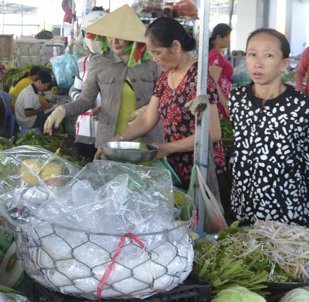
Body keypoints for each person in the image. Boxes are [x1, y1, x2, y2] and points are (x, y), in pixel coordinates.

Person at [90, 16, 225, 190]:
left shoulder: (200, 80)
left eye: (157, 52)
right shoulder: (164, 77)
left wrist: (166, 148)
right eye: (151, 53)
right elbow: (147, 120)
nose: (153, 58)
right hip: (175, 168)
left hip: (202, 168)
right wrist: (112, 143)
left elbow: (213, 133)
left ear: (176, 46)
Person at [45, 5, 164, 160]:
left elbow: (166, 95)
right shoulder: (98, 63)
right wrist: (63, 110)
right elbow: (85, 100)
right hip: (110, 143)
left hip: (147, 141)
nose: (114, 41)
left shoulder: (152, 62)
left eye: (120, 35)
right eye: (109, 35)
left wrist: (149, 109)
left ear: (131, 35)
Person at [229, 28, 309, 226]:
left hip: (285, 207)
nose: (258, 62)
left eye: (268, 55)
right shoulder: (237, 99)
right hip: (244, 204)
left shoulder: (301, 106)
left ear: (284, 64)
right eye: (252, 54)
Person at [69, 8, 108, 161]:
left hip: (109, 133)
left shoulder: (121, 65)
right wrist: (85, 101)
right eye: (90, 35)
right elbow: (75, 89)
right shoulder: (82, 63)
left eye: (100, 35)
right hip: (85, 130)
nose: (94, 39)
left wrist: (106, 108)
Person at [208, 23, 233, 119]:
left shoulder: (216, 55)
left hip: (219, 101)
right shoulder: (216, 56)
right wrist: (225, 104)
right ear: (218, 38)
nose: (229, 40)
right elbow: (213, 82)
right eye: (227, 37)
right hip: (219, 103)